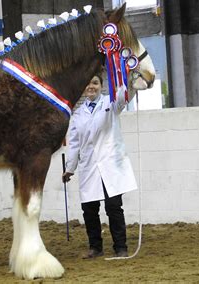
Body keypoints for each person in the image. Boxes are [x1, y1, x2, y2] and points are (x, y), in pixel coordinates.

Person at [62, 74, 137, 259]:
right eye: (87, 83)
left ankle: (121, 247)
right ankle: (95, 247)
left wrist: (128, 79)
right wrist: (69, 168)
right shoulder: (77, 114)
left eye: (95, 83)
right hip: (89, 166)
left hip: (110, 164)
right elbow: (74, 144)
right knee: (89, 209)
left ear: (101, 86)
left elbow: (123, 97)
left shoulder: (110, 104)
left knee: (113, 207)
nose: (91, 87)